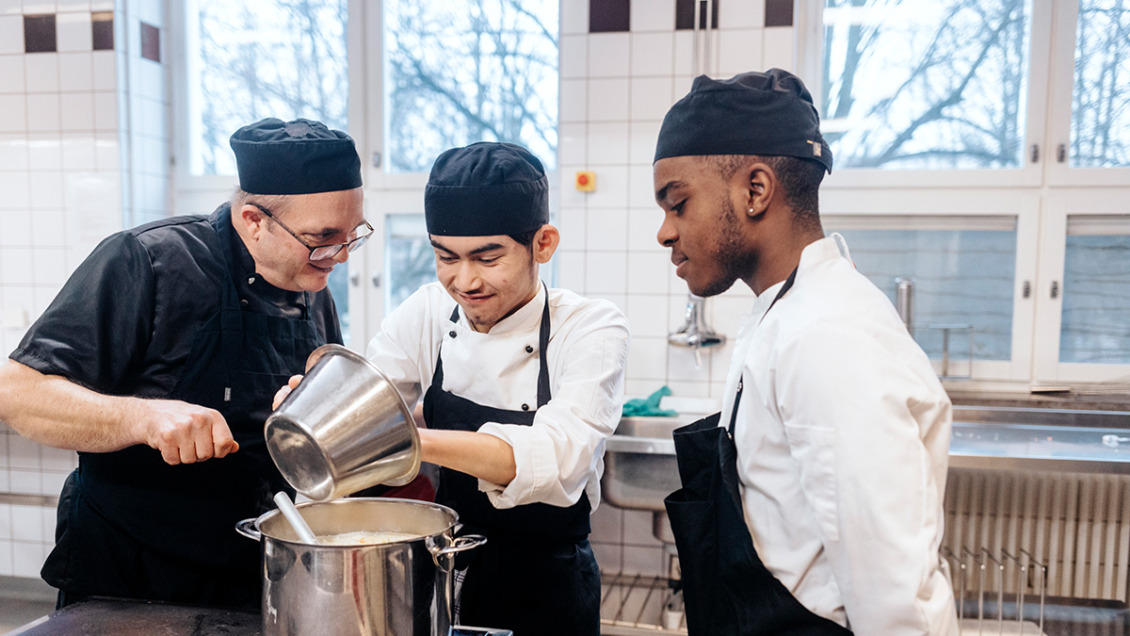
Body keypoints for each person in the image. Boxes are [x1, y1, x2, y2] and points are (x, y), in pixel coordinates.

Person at [0, 117, 367, 609]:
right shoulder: (148, 261)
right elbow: (18, 392)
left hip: (253, 579)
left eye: (352, 235)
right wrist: (145, 417)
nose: (340, 256)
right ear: (255, 221)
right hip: (131, 581)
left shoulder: (310, 287)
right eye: (323, 237)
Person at [653, 70, 959, 635]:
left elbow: (895, 596)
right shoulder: (785, 311)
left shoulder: (829, 335)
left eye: (677, 203)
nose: (665, 232)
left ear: (756, 190)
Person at [280, 141, 629, 635]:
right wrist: (321, 407)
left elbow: (557, 460)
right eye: (446, 257)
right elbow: (367, 396)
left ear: (543, 244)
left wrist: (398, 439)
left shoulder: (591, 327)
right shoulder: (428, 310)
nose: (464, 281)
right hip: (450, 565)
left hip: (551, 580)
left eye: (488, 258)